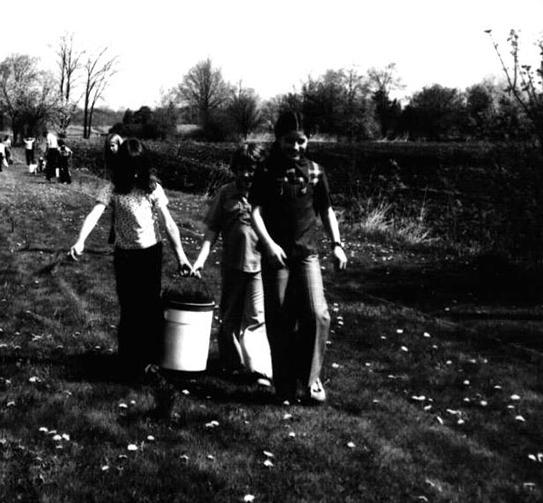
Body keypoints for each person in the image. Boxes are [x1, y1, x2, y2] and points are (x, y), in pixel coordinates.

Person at [69, 138, 193, 380]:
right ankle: (128, 361)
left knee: (150, 308)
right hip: (125, 256)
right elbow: (94, 215)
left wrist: (181, 256)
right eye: (130, 167)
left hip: (150, 254)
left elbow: (168, 223)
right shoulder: (113, 189)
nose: (135, 172)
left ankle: (150, 361)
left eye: (139, 166)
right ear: (123, 166)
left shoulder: (153, 188)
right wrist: (80, 240)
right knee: (129, 309)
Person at [250, 111, 347, 405]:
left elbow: (326, 211)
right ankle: (284, 384)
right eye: (289, 141)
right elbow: (255, 211)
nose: (295, 147)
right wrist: (268, 245)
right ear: (278, 140)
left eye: (301, 141)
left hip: (307, 254)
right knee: (280, 319)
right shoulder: (266, 171)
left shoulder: (316, 171)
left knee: (317, 315)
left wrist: (337, 244)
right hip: (276, 255)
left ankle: (311, 377)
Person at [192, 143, 272, 385]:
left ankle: (259, 370)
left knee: (257, 318)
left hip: (259, 266)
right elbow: (212, 230)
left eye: (253, 169)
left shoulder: (267, 194)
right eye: (242, 169)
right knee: (229, 319)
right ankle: (232, 364)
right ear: (235, 169)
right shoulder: (226, 193)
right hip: (232, 266)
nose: (247, 174)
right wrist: (201, 260)